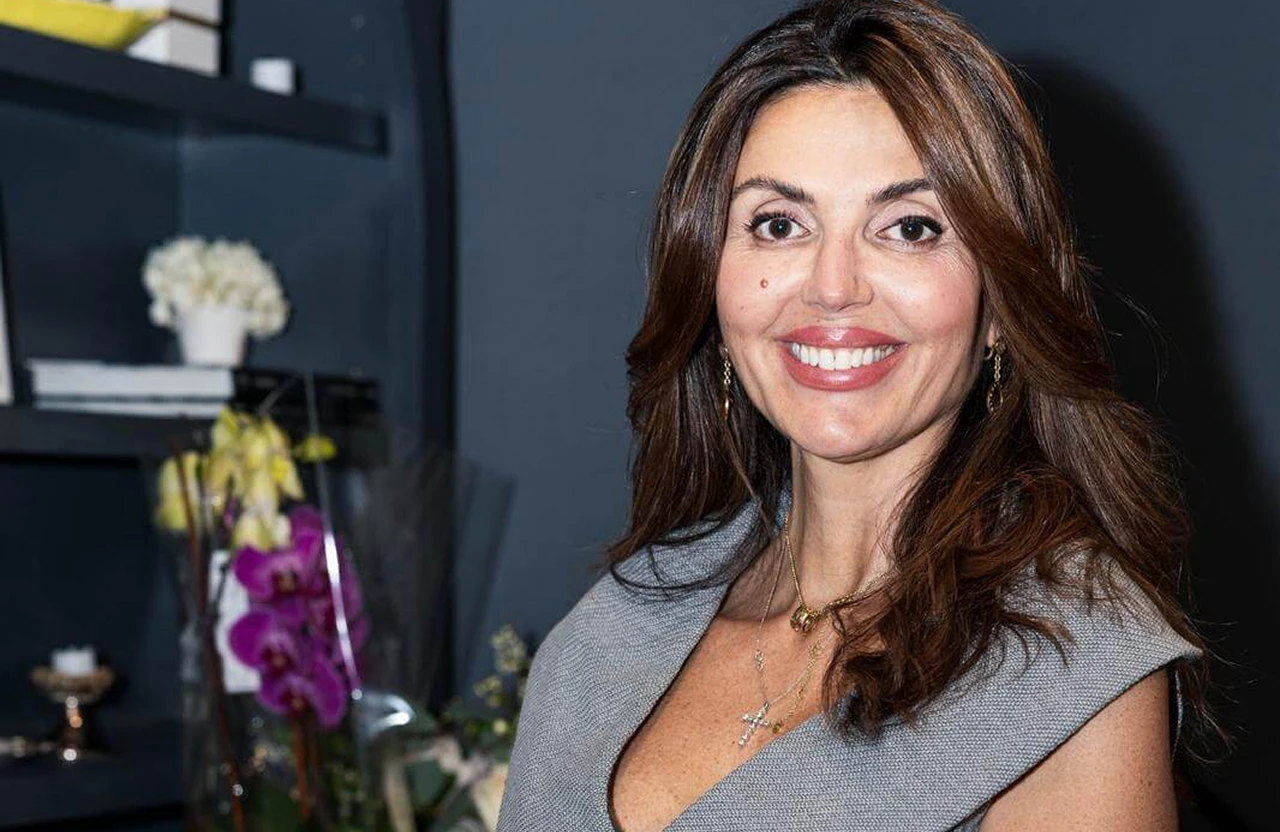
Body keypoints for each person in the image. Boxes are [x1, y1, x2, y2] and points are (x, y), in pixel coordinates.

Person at [498, 0, 1212, 829]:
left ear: (998, 309)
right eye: (778, 223)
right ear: (710, 281)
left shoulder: (1071, 673)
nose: (833, 285)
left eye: (909, 227)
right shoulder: (624, 618)